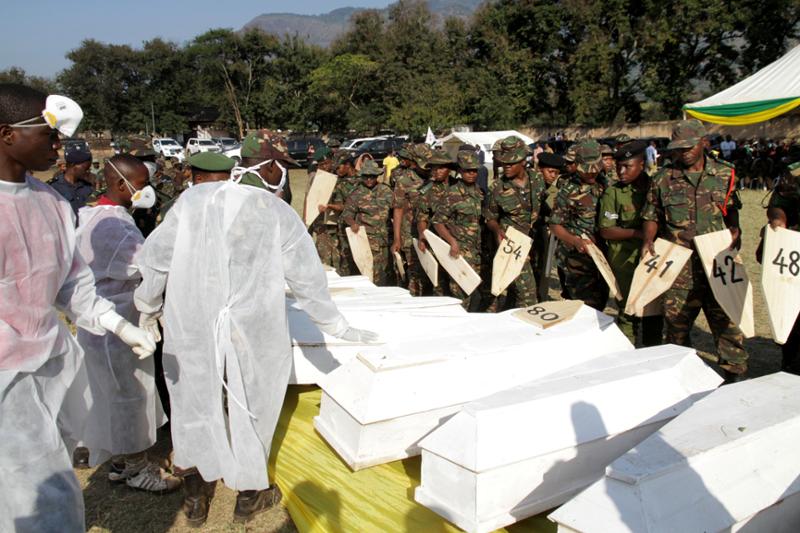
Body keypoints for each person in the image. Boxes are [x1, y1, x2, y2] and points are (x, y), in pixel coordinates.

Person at [134, 175, 377, 526]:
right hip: (252, 328)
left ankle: (196, 496)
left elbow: (156, 259)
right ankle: (249, 495)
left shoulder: (192, 203)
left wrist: (147, 306)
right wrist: (335, 325)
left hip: (194, 324)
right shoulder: (273, 209)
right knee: (253, 401)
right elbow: (306, 276)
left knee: (192, 402)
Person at [0, 84, 155, 533]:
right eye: (49, 135)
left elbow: (72, 282)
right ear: (7, 134)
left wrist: (118, 325)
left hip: (50, 363)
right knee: (39, 492)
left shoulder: (49, 203)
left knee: (51, 467)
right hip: (7, 375)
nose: (59, 147)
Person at [69, 154, 178, 492]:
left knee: (112, 394)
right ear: (121, 184)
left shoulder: (94, 214)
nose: (147, 191)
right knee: (129, 396)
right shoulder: (113, 225)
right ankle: (135, 468)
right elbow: (144, 265)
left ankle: (119, 460)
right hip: (115, 324)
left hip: (105, 321)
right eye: (142, 185)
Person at [641, 119, 747, 382]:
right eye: (678, 148)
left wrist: (735, 231)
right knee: (676, 328)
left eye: (689, 147)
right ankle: (683, 380)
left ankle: (733, 380)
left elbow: (731, 210)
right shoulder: (663, 178)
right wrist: (648, 239)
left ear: (704, 143)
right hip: (680, 267)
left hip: (717, 264)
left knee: (728, 324)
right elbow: (651, 214)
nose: (684, 152)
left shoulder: (725, 174)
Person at [598, 140, 663, 346]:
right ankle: (627, 351)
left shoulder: (658, 187)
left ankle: (653, 352)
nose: (621, 172)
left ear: (642, 165)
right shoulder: (614, 193)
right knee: (628, 311)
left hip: (654, 260)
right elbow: (606, 230)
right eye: (619, 167)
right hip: (624, 261)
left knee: (654, 312)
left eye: (627, 166)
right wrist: (640, 234)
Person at [483, 136, 545, 310]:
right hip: (513, 245)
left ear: (523, 161)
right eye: (504, 163)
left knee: (518, 292)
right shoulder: (497, 187)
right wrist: (497, 231)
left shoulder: (537, 179)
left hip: (536, 244)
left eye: (511, 163)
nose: (506, 166)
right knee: (527, 294)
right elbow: (490, 218)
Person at [548, 139, 609, 311]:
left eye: (594, 170)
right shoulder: (569, 190)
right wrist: (575, 241)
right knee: (584, 306)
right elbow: (555, 225)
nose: (591, 174)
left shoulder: (605, 184)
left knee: (601, 301)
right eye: (587, 170)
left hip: (601, 256)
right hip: (577, 259)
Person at [760, 161, 800, 374]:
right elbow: (779, 204)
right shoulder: (795, 172)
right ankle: (792, 369)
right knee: (794, 318)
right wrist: (778, 220)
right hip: (797, 253)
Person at [432, 150, 484, 310]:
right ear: (460, 171)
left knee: (474, 292)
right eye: (468, 170)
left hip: (476, 251)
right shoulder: (452, 194)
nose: (472, 174)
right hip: (459, 251)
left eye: (474, 170)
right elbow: (438, 222)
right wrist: (452, 242)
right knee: (460, 293)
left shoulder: (479, 192)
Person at [342, 160, 394, 285]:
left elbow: (396, 211)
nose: (369, 180)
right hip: (368, 241)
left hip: (386, 239)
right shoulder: (356, 193)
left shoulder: (386, 191)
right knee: (370, 274)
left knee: (387, 272)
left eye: (372, 176)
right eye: (366, 177)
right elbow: (347, 214)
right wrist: (352, 223)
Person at [416, 148, 454, 296]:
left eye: (441, 168)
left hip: (461, 239)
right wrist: (422, 236)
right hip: (437, 240)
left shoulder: (458, 186)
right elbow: (422, 217)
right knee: (439, 282)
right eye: (434, 168)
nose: (437, 171)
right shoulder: (427, 190)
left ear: (449, 169)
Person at [532, 152, 566, 299]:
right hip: (526, 233)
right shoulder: (529, 186)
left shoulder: (553, 191)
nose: (553, 176)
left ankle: (541, 297)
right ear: (540, 169)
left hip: (542, 234)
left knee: (543, 269)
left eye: (556, 173)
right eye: (550, 171)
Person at [236, 129, 298, 204]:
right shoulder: (262, 202)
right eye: (284, 167)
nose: (284, 173)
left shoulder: (231, 188)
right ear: (271, 165)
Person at [324, 151, 360, 275]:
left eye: (338, 167)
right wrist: (329, 206)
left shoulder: (364, 179)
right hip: (345, 228)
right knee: (346, 261)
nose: (336, 170)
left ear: (348, 165)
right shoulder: (340, 184)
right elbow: (341, 206)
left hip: (363, 227)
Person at [50, 149, 94, 218]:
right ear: (73, 165)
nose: (88, 171)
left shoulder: (88, 187)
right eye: (85, 168)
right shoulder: (53, 188)